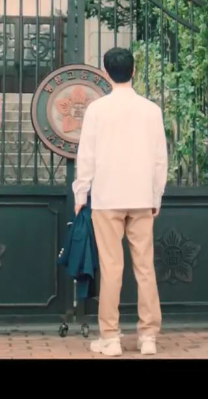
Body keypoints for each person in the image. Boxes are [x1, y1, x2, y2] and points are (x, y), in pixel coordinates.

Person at [72, 47, 169, 357]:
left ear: (105, 73)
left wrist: (81, 192)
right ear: (134, 71)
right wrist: (156, 195)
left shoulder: (97, 110)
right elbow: (160, 158)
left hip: (107, 197)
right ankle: (148, 336)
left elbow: (86, 155)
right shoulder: (151, 110)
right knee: (145, 268)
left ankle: (111, 337)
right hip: (141, 196)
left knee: (111, 268)